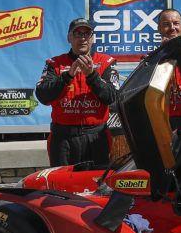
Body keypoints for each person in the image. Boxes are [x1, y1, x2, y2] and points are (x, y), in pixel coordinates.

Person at [35, 18, 118, 166]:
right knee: (60, 185)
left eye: (87, 34)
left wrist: (92, 76)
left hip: (96, 137)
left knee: (97, 185)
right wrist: (67, 76)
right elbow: (42, 96)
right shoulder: (54, 64)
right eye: (77, 34)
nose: (82, 38)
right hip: (63, 138)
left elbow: (112, 97)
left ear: (92, 38)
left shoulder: (106, 62)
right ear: (69, 38)